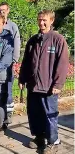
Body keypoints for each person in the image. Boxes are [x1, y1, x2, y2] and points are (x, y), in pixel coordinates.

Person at [19, 10, 69, 154]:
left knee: (50, 115)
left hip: (49, 87)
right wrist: (22, 78)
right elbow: (26, 62)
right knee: (34, 113)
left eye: (45, 20)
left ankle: (53, 141)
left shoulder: (58, 40)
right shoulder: (33, 40)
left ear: (51, 21)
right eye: (39, 20)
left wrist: (58, 84)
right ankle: (39, 137)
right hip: (33, 85)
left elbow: (63, 64)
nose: (41, 23)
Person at [0, 2, 21, 123]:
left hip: (7, 64)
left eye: (4, 10)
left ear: (8, 10)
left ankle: (9, 113)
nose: (2, 12)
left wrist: (14, 60)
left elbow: (16, 44)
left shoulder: (12, 27)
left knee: (7, 90)